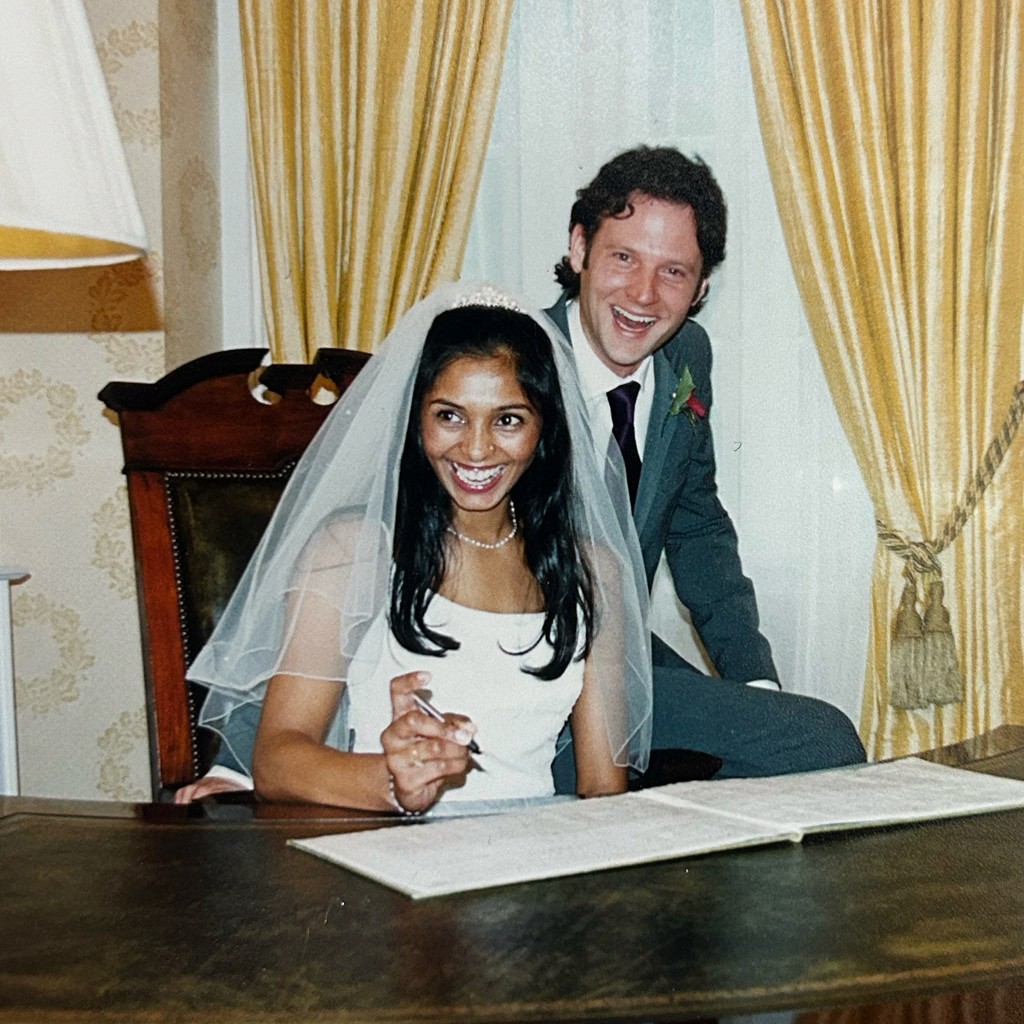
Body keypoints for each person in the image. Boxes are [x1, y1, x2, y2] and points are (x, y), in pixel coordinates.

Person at [184, 284, 653, 812]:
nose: (477, 448)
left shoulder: (593, 570)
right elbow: (276, 760)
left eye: (508, 419)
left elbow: (602, 789)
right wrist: (393, 780)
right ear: (416, 419)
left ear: (543, 429)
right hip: (388, 846)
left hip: (534, 853)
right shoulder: (355, 550)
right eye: (450, 416)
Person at [544, 144, 865, 790]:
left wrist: (756, 684)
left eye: (673, 272)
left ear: (701, 289)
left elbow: (698, 528)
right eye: (624, 257)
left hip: (621, 656)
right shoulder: (511, 363)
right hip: (530, 676)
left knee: (786, 749)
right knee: (825, 740)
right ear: (579, 248)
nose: (642, 294)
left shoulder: (687, 355)